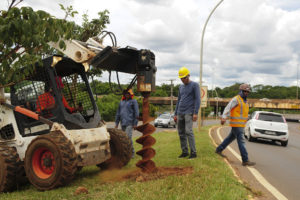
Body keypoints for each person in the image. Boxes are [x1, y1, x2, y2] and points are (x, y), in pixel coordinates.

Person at [215, 83, 256, 166]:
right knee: (241, 141)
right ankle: (245, 160)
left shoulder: (245, 102)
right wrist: (223, 117)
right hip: (236, 124)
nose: (246, 93)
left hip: (241, 125)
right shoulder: (236, 99)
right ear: (241, 91)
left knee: (230, 138)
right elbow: (228, 108)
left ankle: (219, 149)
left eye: (248, 92)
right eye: (245, 91)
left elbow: (243, 113)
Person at [174, 67, 200, 159]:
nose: (183, 80)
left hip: (189, 112)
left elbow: (197, 99)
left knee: (188, 131)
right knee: (181, 132)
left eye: (184, 78)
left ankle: (193, 153)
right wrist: (175, 114)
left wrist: (195, 113)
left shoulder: (195, 85)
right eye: (181, 78)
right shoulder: (180, 87)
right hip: (180, 112)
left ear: (188, 76)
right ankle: (184, 152)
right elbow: (179, 100)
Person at [115, 89, 139, 158]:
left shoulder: (133, 101)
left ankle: (132, 153)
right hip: (123, 123)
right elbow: (118, 113)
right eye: (125, 93)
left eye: (128, 93)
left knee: (128, 138)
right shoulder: (121, 102)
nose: (127, 95)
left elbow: (136, 113)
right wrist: (116, 123)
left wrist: (135, 124)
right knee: (123, 139)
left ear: (131, 94)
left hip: (130, 123)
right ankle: (125, 153)